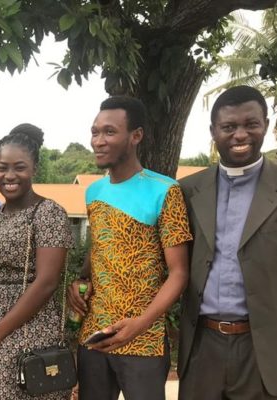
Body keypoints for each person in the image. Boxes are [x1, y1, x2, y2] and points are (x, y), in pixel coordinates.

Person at [177, 85, 277, 400]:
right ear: (213, 131)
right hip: (202, 345)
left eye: (251, 124)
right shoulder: (188, 190)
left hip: (265, 350)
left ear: (266, 126)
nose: (240, 134)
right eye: (228, 127)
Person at [67, 96, 191, 400]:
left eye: (109, 132)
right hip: (95, 335)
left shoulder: (165, 190)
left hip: (143, 340)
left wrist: (139, 325)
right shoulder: (94, 192)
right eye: (95, 132)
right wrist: (81, 279)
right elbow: (101, 246)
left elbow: (179, 273)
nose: (98, 141)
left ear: (136, 136)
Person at [0, 124, 74, 400]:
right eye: (2, 168)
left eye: (19, 168)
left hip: (28, 324)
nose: (9, 176)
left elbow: (47, 282)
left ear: (34, 169)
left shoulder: (48, 213)